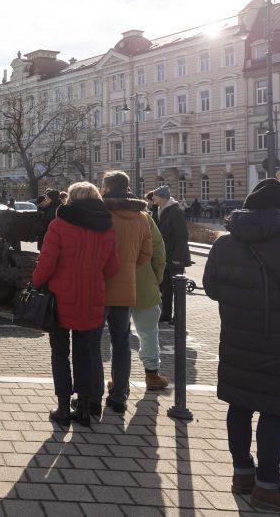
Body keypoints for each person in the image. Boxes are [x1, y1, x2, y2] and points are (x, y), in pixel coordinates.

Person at [203, 178, 280, 515]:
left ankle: (242, 475)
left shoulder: (223, 243)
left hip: (237, 337)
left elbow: (210, 288)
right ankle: (268, 487)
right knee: (272, 410)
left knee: (239, 404)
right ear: (279, 211)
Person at [31, 181, 119, 427]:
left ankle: (62, 408)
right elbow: (113, 269)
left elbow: (46, 263)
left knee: (60, 352)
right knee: (85, 353)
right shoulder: (106, 228)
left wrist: (35, 283)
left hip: (60, 299)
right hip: (92, 298)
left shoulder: (59, 225)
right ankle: (82, 408)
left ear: (70, 199)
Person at [93, 171, 153, 416]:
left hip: (99, 287)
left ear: (106, 187)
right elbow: (146, 255)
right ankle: (119, 396)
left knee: (93, 344)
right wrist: (126, 267)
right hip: (126, 287)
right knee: (122, 344)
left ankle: (93, 395)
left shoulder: (99, 213)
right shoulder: (141, 217)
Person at [132, 209, 170, 391]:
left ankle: (118, 378)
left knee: (118, 335)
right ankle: (152, 374)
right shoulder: (144, 217)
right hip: (144, 283)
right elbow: (158, 250)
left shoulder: (105, 215)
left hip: (113, 285)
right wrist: (156, 277)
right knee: (148, 332)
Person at [153, 185, 190, 324]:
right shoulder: (160, 210)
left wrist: (177, 258)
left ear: (162, 198)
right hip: (165, 256)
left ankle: (178, 316)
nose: (153, 197)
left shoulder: (174, 211)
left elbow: (182, 236)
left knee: (177, 289)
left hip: (174, 257)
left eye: (155, 195)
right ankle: (166, 314)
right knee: (166, 287)